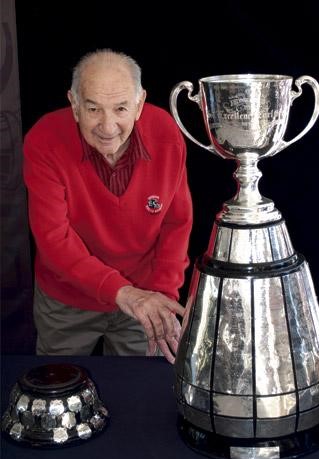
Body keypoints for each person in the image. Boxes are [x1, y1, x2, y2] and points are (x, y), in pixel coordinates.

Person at [23, 49, 193, 363]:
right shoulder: (44, 140)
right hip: (66, 300)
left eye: (120, 108)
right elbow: (53, 239)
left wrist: (162, 296)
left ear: (139, 104)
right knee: (60, 389)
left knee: (139, 393)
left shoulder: (166, 134)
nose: (108, 125)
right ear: (74, 105)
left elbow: (176, 223)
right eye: (93, 109)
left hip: (143, 293)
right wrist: (121, 291)